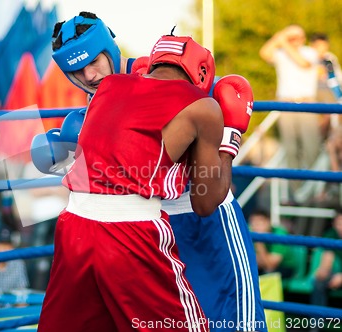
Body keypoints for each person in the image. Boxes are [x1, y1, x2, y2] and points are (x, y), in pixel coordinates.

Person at [40, 12, 266, 331]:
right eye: (76, 69)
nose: (89, 75)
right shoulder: (107, 93)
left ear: (109, 49)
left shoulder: (150, 75)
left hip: (198, 216)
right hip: (143, 226)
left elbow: (215, 96)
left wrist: (227, 130)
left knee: (230, 319)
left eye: (95, 62)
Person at [259, 25, 321, 195]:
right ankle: (297, 192)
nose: (292, 41)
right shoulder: (281, 54)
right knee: (291, 149)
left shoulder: (310, 52)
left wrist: (283, 42)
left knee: (311, 148)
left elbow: (303, 63)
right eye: (290, 38)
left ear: (303, 39)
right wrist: (279, 36)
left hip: (307, 105)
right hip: (286, 105)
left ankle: (314, 191)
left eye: (295, 38)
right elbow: (264, 53)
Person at [311, 211, 342, 313]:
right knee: (319, 281)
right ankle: (316, 324)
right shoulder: (331, 234)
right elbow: (327, 257)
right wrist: (322, 271)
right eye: (339, 223)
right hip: (337, 274)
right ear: (334, 224)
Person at [249, 209, 295, 278]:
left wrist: (259, 242)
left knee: (267, 274)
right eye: (254, 223)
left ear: (269, 223)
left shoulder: (280, 234)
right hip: (261, 267)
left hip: (284, 267)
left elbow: (270, 266)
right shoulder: (248, 231)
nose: (256, 227)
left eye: (260, 222)